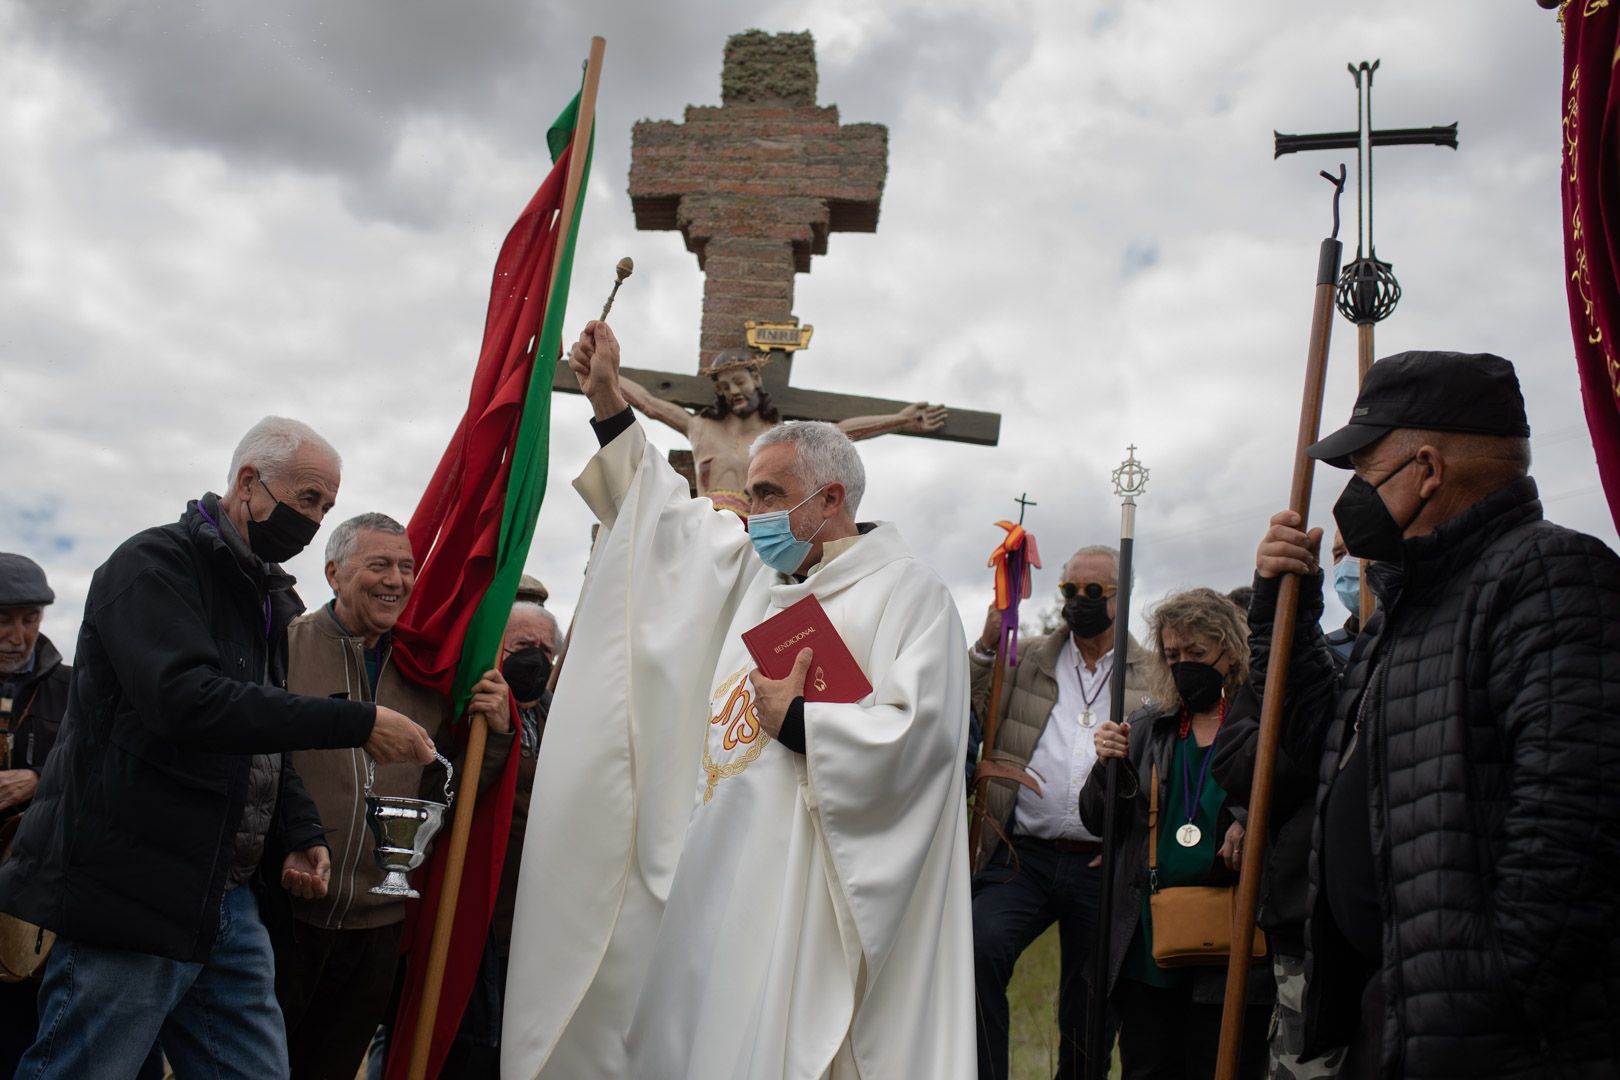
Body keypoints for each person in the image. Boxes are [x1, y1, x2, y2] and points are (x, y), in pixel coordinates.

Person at [501, 321, 974, 1079]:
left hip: (813, 891)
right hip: (716, 871)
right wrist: (605, 403)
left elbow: (923, 744)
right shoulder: (763, 576)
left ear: (829, 497)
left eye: (766, 494)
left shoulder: (907, 595)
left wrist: (802, 724)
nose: (746, 510)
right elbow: (661, 529)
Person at [0, 416, 436, 1080]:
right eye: (309, 500)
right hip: (133, 886)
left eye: (326, 506)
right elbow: (186, 701)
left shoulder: (272, 599)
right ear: (249, 483)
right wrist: (356, 722)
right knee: (85, 1066)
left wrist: (299, 828)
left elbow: (264, 746)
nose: (315, 519)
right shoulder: (152, 565)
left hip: (227, 896)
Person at [1250, 350, 1620, 1078]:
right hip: (1399, 1012)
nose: (1349, 496)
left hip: (1477, 1039)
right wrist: (1278, 611)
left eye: (1362, 471)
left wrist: (1478, 1002)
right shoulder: (1411, 607)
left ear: (1427, 469)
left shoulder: (1550, 577)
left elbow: (1569, 843)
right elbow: (1306, 743)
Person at [275, 512, 513, 1080]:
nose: (397, 581)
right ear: (333, 572)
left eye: (407, 568)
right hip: (283, 916)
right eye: (379, 565)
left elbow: (449, 793)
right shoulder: (283, 646)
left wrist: (497, 734)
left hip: (378, 930)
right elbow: (258, 765)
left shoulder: (423, 670)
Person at [968, 544, 1152, 1080]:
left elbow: (1163, 762)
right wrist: (986, 641)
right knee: (980, 949)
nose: (1079, 600)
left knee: (1091, 1005)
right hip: (1021, 854)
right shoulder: (1022, 659)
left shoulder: (1152, 672)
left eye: (1095, 592)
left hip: (1104, 865)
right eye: (1071, 590)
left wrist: (1130, 844)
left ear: (1123, 596)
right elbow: (970, 702)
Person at [1080, 588, 1270, 1079]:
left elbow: (1290, 801)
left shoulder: (1261, 726)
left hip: (1230, 940)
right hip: (1150, 941)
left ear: (1231, 651)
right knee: (1148, 1066)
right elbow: (1100, 821)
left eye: (1198, 653)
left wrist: (1249, 819)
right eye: (1173, 654)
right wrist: (1107, 766)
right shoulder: (1148, 725)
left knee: (1223, 1064)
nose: (1185, 664)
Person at [444, 598, 559, 1076]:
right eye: (523, 646)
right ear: (497, 649)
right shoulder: (465, 705)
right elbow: (449, 793)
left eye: (546, 651)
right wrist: (491, 736)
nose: (535, 658)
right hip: (477, 916)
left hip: (537, 923)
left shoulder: (562, 715)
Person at [619, 347, 948, 515]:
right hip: (702, 525)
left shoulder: (775, 438)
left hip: (752, 530)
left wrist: (901, 420)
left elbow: (840, 431)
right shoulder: (699, 427)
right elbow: (648, 403)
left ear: (756, 380)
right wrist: (600, 368)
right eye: (724, 386)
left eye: (739, 381)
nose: (733, 391)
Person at [0, 554, 73, 1074]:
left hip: (33, 895)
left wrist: (40, 778)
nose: (16, 635)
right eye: (3, 619)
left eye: (29, 619)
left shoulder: (73, 687)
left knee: (22, 1031)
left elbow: (104, 767)